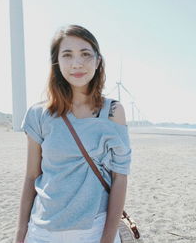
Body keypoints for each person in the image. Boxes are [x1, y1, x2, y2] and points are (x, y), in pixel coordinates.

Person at [14, 24, 132, 243]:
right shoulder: (38, 114)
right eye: (67, 55)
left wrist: (106, 239)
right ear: (57, 63)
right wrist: (20, 234)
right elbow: (31, 175)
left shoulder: (113, 112)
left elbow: (120, 177)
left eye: (86, 54)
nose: (77, 63)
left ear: (98, 61)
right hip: (42, 233)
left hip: (94, 231)